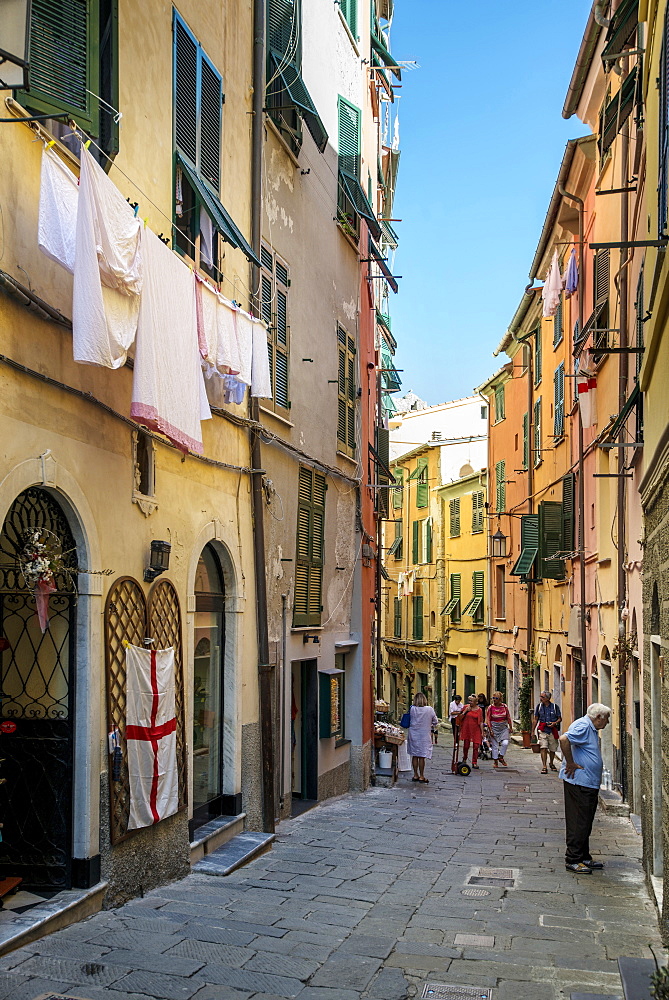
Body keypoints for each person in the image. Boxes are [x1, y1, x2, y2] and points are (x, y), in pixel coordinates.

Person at [559, 703, 611, 874]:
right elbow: (564, 739)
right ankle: (573, 859)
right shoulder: (583, 725)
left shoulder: (589, 727)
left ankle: (583, 856)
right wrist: (570, 762)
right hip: (579, 782)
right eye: (606, 718)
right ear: (598, 718)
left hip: (587, 782)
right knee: (578, 821)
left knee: (585, 821)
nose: (608, 722)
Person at [406, 692, 438, 783]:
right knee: (422, 756)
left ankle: (415, 774)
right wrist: (430, 724)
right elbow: (435, 721)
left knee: (415, 755)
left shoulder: (412, 709)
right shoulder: (429, 709)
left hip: (413, 734)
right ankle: (422, 776)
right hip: (424, 735)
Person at [532, 691, 562, 774]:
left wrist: (554, 723)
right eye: (540, 696)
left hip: (552, 731)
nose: (541, 698)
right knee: (543, 747)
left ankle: (551, 763)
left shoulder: (555, 707)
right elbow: (535, 719)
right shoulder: (539, 707)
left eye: (542, 697)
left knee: (552, 749)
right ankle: (544, 766)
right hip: (542, 730)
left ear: (548, 698)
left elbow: (560, 718)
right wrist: (532, 732)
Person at [458, 693, 485, 770]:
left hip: (476, 729)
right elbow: (460, 718)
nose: (470, 702)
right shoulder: (466, 707)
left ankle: (474, 762)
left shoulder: (479, 710)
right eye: (469, 701)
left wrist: (482, 732)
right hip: (467, 728)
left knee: (476, 746)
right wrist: (465, 711)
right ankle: (465, 758)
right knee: (466, 746)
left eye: (471, 701)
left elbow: (480, 722)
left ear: (476, 702)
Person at [486, 691, 512, 768]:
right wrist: (490, 730)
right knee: (495, 746)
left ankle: (501, 756)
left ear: (500, 699)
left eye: (496, 698)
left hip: (503, 727)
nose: (494, 700)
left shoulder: (504, 707)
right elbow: (488, 719)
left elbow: (508, 717)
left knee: (505, 743)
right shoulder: (490, 707)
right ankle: (495, 761)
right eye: (493, 698)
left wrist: (510, 726)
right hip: (494, 727)